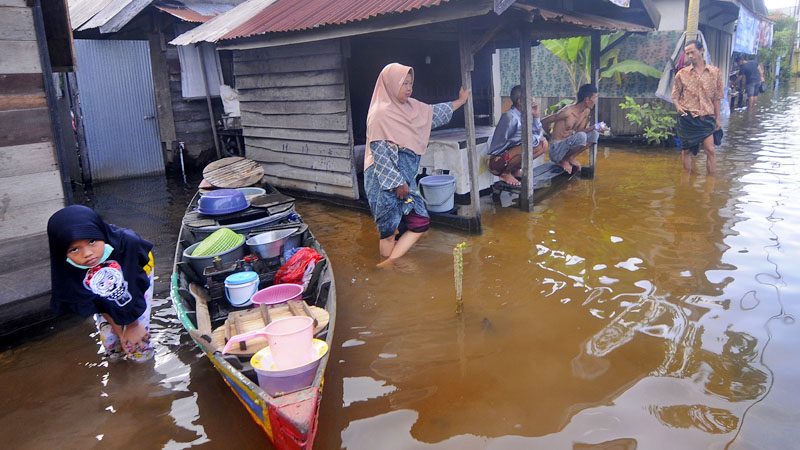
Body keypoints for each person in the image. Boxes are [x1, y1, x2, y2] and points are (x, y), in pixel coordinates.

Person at [363, 63, 470, 265]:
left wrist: (461, 101)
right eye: (404, 83)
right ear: (391, 84)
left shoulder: (412, 107)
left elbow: (434, 113)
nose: (409, 87)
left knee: (419, 221)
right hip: (384, 182)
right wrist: (397, 185)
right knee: (388, 229)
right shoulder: (380, 114)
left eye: (410, 83)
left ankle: (388, 264)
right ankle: (388, 269)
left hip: (405, 180)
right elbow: (381, 155)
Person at [47, 205, 156, 362]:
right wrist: (120, 333)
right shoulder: (69, 266)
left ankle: (145, 369)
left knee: (138, 344)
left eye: (92, 241)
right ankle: (118, 370)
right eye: (74, 250)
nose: (87, 254)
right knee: (112, 344)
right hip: (100, 281)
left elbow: (132, 289)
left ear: (101, 234)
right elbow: (96, 301)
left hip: (135, 273)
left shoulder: (127, 244)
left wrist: (132, 326)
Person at [671, 39, 722, 175]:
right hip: (687, 117)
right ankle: (686, 180)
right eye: (687, 53)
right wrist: (677, 106)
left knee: (710, 149)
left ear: (701, 50)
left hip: (706, 117)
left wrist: (718, 119)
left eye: (692, 52)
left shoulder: (715, 73)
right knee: (686, 150)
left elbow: (717, 98)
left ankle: (710, 183)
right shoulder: (681, 74)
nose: (690, 56)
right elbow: (675, 95)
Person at [487, 85, 549, 187]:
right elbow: (529, 140)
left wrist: (536, 116)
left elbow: (538, 135)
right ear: (520, 101)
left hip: (511, 153)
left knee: (544, 144)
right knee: (527, 145)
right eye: (530, 98)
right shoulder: (510, 117)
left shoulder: (524, 115)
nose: (533, 100)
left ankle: (514, 170)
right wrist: (537, 138)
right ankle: (505, 173)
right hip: (497, 162)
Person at [541, 84, 600, 175]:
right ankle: (564, 160)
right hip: (556, 149)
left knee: (594, 134)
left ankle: (570, 158)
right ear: (587, 100)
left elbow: (580, 132)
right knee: (581, 136)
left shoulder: (586, 111)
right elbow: (544, 121)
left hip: (567, 144)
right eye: (595, 98)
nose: (595, 101)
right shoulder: (568, 112)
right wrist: (550, 135)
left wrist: (595, 127)